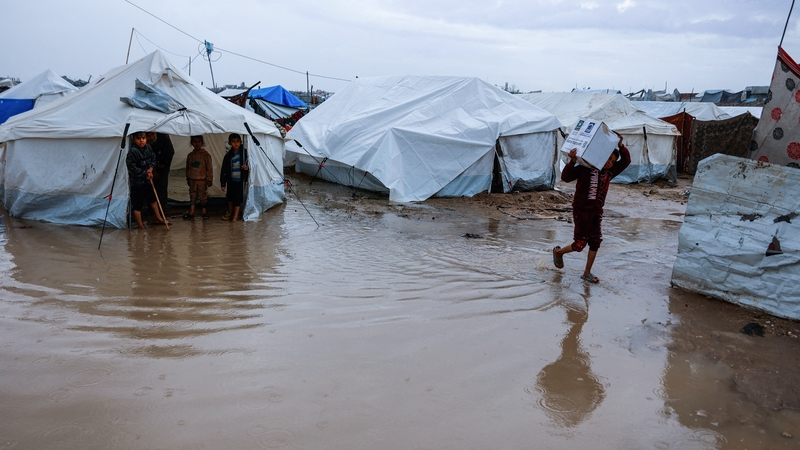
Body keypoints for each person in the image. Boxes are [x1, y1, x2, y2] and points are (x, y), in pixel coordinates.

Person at [552, 134, 631, 283]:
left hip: (596, 211)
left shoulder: (610, 172)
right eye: (608, 158)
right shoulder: (586, 168)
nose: (609, 163)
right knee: (579, 244)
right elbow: (566, 177)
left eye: (613, 161)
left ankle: (587, 273)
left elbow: (626, 160)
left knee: (595, 242)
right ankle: (558, 252)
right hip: (581, 210)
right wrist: (572, 161)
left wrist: (621, 145)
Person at [126, 131, 171, 229]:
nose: (141, 141)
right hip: (137, 183)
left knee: (153, 199)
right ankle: (140, 225)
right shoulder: (133, 151)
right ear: (134, 139)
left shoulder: (148, 148)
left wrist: (150, 169)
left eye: (143, 138)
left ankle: (159, 217)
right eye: (138, 138)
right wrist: (144, 173)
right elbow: (131, 167)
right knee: (137, 205)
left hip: (147, 181)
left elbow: (153, 158)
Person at [219, 133, 249, 222]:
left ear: (241, 142)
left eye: (237, 141)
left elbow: (252, 164)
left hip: (240, 180)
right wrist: (223, 183)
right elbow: (224, 170)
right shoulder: (228, 156)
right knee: (230, 197)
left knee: (237, 199)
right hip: (231, 180)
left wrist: (247, 168)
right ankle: (230, 213)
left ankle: (235, 217)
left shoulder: (245, 154)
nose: (236, 144)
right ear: (229, 143)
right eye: (233, 142)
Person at [184, 135, 213, 219]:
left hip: (202, 179)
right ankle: (192, 212)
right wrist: (187, 178)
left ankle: (204, 212)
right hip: (192, 179)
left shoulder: (206, 155)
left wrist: (210, 179)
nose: (197, 144)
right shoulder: (190, 155)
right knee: (192, 195)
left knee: (202, 195)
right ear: (192, 143)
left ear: (202, 143)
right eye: (194, 142)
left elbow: (209, 168)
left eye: (199, 141)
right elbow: (188, 167)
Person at [146, 132, 175, 206]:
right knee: (150, 186)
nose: (151, 138)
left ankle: (162, 205)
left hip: (163, 163)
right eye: (148, 136)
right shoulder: (143, 141)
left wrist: (163, 164)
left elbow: (170, 152)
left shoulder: (163, 136)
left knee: (162, 185)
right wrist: (153, 168)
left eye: (152, 134)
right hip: (149, 166)